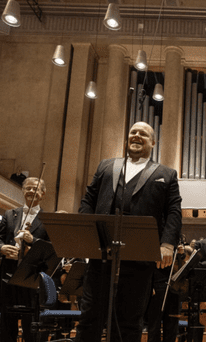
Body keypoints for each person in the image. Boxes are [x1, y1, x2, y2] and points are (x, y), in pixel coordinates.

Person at [76, 121, 182, 342]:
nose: (136, 136)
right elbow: (88, 201)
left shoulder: (166, 174)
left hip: (139, 257)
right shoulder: (105, 166)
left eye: (143, 134)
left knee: (129, 321)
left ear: (153, 142)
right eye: (133, 132)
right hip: (101, 255)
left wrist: (167, 244)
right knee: (90, 317)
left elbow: (173, 212)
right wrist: (88, 232)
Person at [0, 177, 50, 342]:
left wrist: (33, 241)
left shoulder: (48, 218)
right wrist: (1, 248)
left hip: (32, 275)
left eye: (36, 189)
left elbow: (52, 247)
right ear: (23, 191)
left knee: (30, 322)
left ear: (43, 194)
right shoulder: (10, 214)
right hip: (8, 273)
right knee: (7, 320)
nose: (32, 191)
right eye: (28, 188)